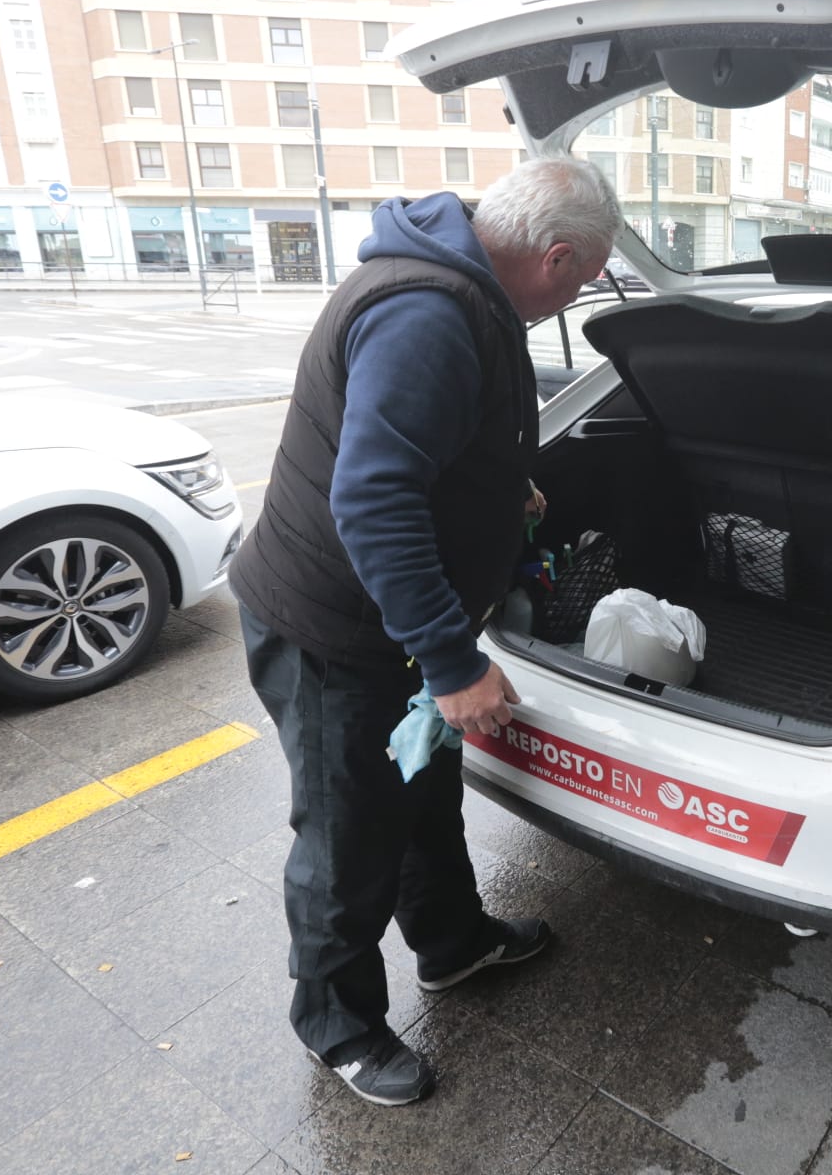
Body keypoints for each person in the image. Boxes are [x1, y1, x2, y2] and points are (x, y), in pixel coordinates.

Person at [230, 157, 620, 1106]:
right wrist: (453, 662)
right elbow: (372, 498)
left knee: (422, 792)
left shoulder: (460, 284)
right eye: (582, 281)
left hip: (393, 623)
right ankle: (338, 1024)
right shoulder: (429, 313)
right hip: (337, 631)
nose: (573, 297)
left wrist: (499, 492)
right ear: (555, 256)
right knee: (346, 838)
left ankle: (450, 944)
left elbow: (432, 449)